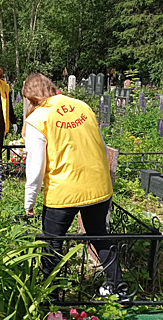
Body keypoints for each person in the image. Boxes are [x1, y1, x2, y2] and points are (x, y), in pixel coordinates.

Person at [22, 73, 126, 300]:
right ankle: (119, 288)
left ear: (30, 97)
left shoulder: (38, 118)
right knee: (99, 236)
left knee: (52, 243)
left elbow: (36, 166)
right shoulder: (82, 106)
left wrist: (29, 201)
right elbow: (101, 143)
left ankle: (51, 296)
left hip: (63, 191)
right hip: (98, 186)